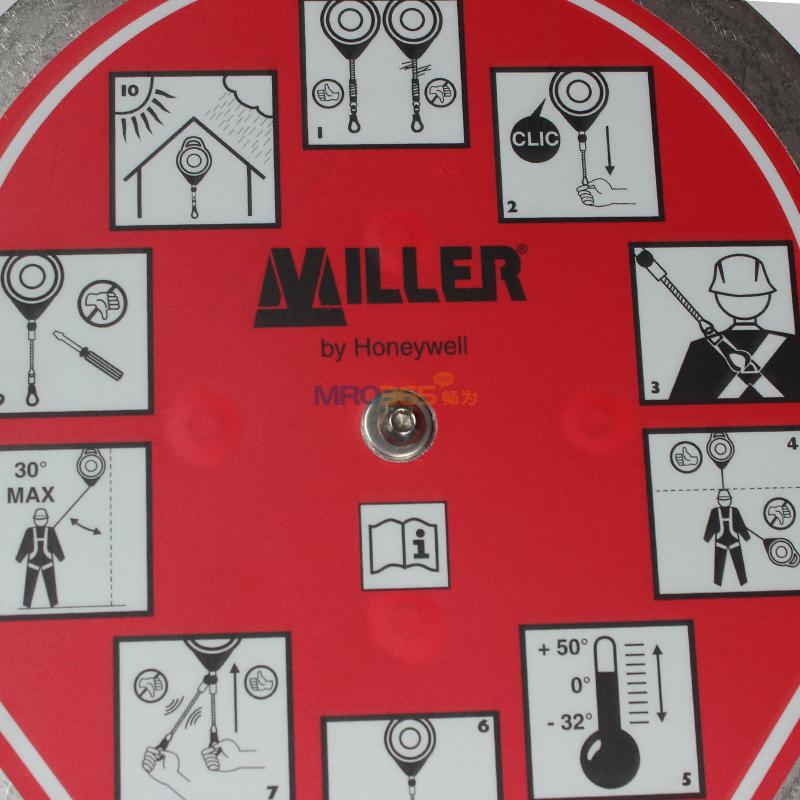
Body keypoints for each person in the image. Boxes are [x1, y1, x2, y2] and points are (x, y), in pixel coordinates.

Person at [671, 254, 800, 402]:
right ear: (768, 295)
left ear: (719, 297)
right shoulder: (792, 344)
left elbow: (679, 402)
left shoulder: (700, 348)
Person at [15, 508, 64, 608]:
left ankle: (53, 604)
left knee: (51, 588)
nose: (40, 520)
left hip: (46, 564)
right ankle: (27, 604)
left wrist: (60, 557)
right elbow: (24, 546)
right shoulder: (30, 531)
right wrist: (19, 558)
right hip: (34, 564)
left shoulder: (50, 531)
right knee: (29, 588)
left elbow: (56, 545)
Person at [703, 490, 750, 586]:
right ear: (718, 501)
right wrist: (707, 538)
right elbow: (710, 526)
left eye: (726, 499)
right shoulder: (715, 512)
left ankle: (743, 583)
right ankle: (717, 585)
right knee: (718, 569)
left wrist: (746, 536)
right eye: (723, 499)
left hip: (733, 543)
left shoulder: (735, 511)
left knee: (739, 566)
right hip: (721, 544)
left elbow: (740, 525)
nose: (725, 501)